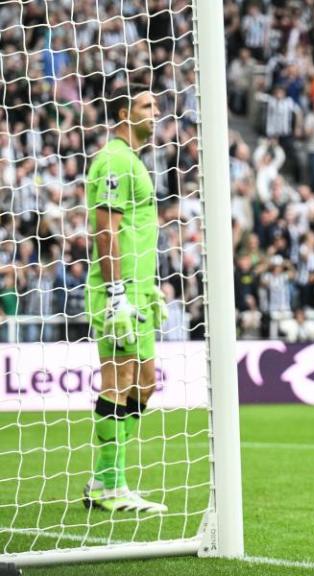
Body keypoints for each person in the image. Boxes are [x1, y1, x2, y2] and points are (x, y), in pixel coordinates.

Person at [82, 83, 168, 513]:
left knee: (145, 384)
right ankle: (108, 484)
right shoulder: (114, 159)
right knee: (118, 383)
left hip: (140, 289)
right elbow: (105, 228)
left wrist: (149, 287)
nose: (155, 112)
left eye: (156, 105)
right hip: (118, 292)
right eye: (146, 105)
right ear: (123, 112)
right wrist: (116, 292)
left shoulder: (134, 161)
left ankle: (105, 477)